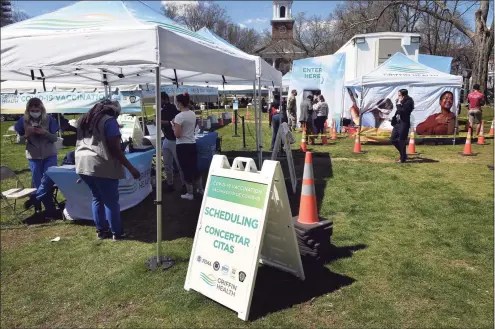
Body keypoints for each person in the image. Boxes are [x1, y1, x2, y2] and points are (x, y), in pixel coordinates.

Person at [75, 100, 141, 240]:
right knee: (111, 201)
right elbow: (115, 149)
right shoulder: (109, 121)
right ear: (114, 111)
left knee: (97, 197)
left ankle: (101, 231)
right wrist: (131, 168)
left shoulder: (84, 119)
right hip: (101, 164)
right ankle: (117, 233)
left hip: (82, 163)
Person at [15, 98, 60, 219]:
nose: (35, 112)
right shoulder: (22, 121)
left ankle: (35, 198)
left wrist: (44, 132)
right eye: (32, 110)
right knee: (39, 182)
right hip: (33, 157)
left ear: (42, 109)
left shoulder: (49, 119)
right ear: (28, 110)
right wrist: (26, 135)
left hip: (49, 155)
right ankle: (49, 210)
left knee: (48, 181)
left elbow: (55, 138)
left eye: (37, 110)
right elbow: (18, 141)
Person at [173, 93, 203, 201]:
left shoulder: (179, 116)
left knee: (185, 168)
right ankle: (200, 189)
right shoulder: (192, 114)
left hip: (182, 145)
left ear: (180, 103)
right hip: (192, 143)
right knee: (194, 167)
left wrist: (174, 126)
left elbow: (177, 134)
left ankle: (190, 193)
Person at [160, 92, 185, 193]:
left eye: (160, 99)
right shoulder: (161, 109)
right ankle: (170, 183)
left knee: (179, 164)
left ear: (165, 99)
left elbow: (172, 122)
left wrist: (159, 121)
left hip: (175, 140)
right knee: (167, 164)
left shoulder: (172, 108)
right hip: (166, 139)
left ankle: (184, 184)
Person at [391, 89, 414, 163]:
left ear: (404, 95)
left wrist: (398, 104)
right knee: (393, 139)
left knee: (401, 140)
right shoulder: (401, 101)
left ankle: (403, 158)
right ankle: (403, 154)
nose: (398, 97)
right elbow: (398, 111)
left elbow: (402, 111)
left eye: (399, 95)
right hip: (398, 123)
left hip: (404, 123)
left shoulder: (409, 101)